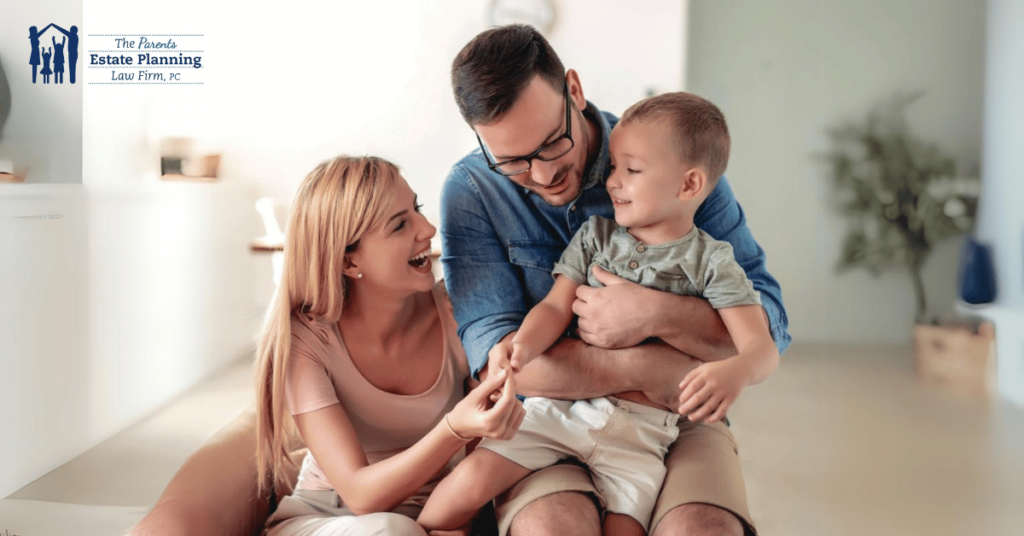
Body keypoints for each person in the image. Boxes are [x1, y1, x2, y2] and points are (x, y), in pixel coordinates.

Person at [437, 25, 790, 536]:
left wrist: (656, 313)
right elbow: (505, 367)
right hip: (551, 416)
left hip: (673, 417)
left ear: (574, 92)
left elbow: (770, 326)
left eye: (550, 145)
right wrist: (648, 366)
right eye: (511, 162)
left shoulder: (673, 162)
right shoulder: (471, 191)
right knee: (553, 528)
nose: (540, 176)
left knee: (701, 529)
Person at [253, 155, 525, 536]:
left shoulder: (457, 310)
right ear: (349, 261)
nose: (429, 228)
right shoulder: (306, 338)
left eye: (417, 209)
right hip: (327, 516)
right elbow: (360, 495)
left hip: (433, 518)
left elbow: (478, 469)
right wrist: (454, 429)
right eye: (400, 225)